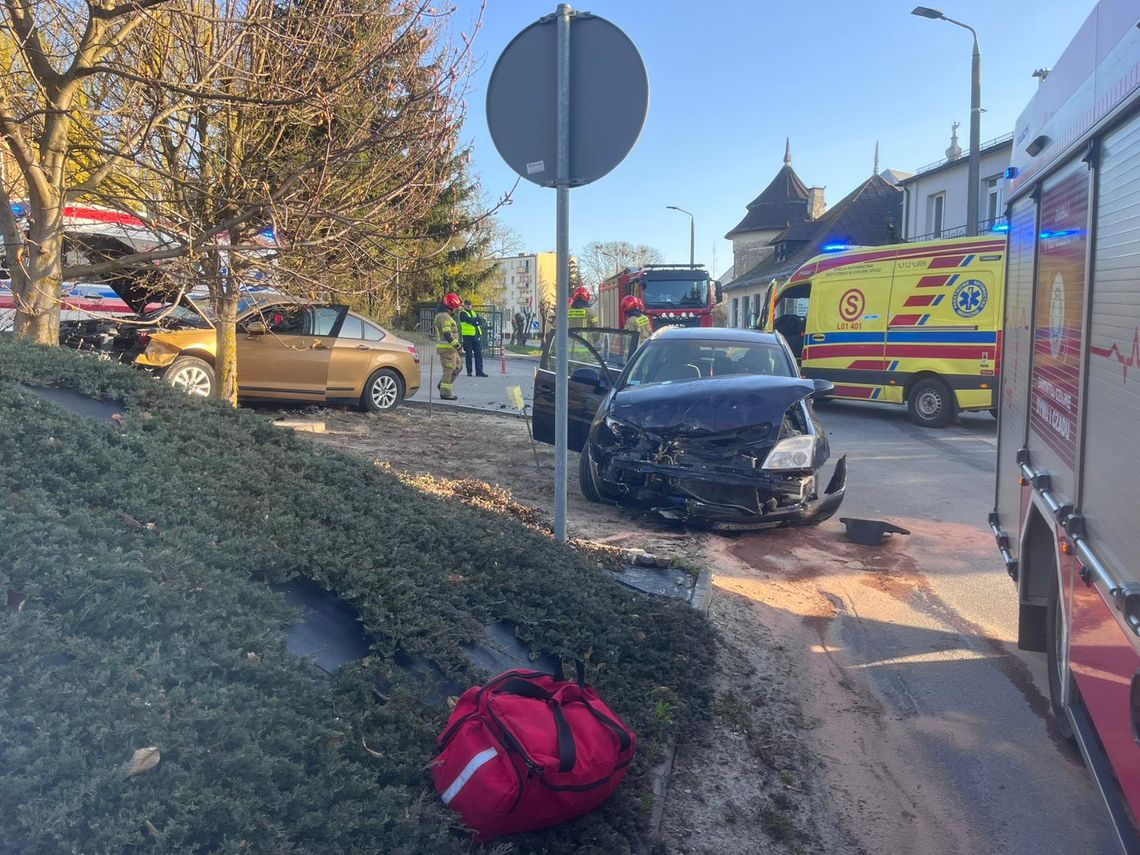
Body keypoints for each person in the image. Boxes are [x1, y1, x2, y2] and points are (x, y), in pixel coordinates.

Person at [434, 292, 463, 400]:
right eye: (455, 307)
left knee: (458, 367)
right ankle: (445, 393)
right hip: (447, 349)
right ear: (450, 306)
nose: (456, 310)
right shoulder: (444, 317)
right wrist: (458, 346)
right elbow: (447, 335)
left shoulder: (446, 316)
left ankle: (442, 386)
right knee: (449, 370)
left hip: (451, 349)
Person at [458, 299, 488, 377]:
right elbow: (469, 320)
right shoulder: (462, 313)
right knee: (469, 355)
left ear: (471, 305)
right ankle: (469, 372)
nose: (468, 306)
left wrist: (475, 321)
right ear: (464, 305)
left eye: (469, 304)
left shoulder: (474, 313)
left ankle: (479, 372)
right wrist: (475, 321)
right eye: (467, 304)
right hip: (467, 337)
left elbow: (480, 321)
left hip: (476, 336)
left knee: (478, 354)